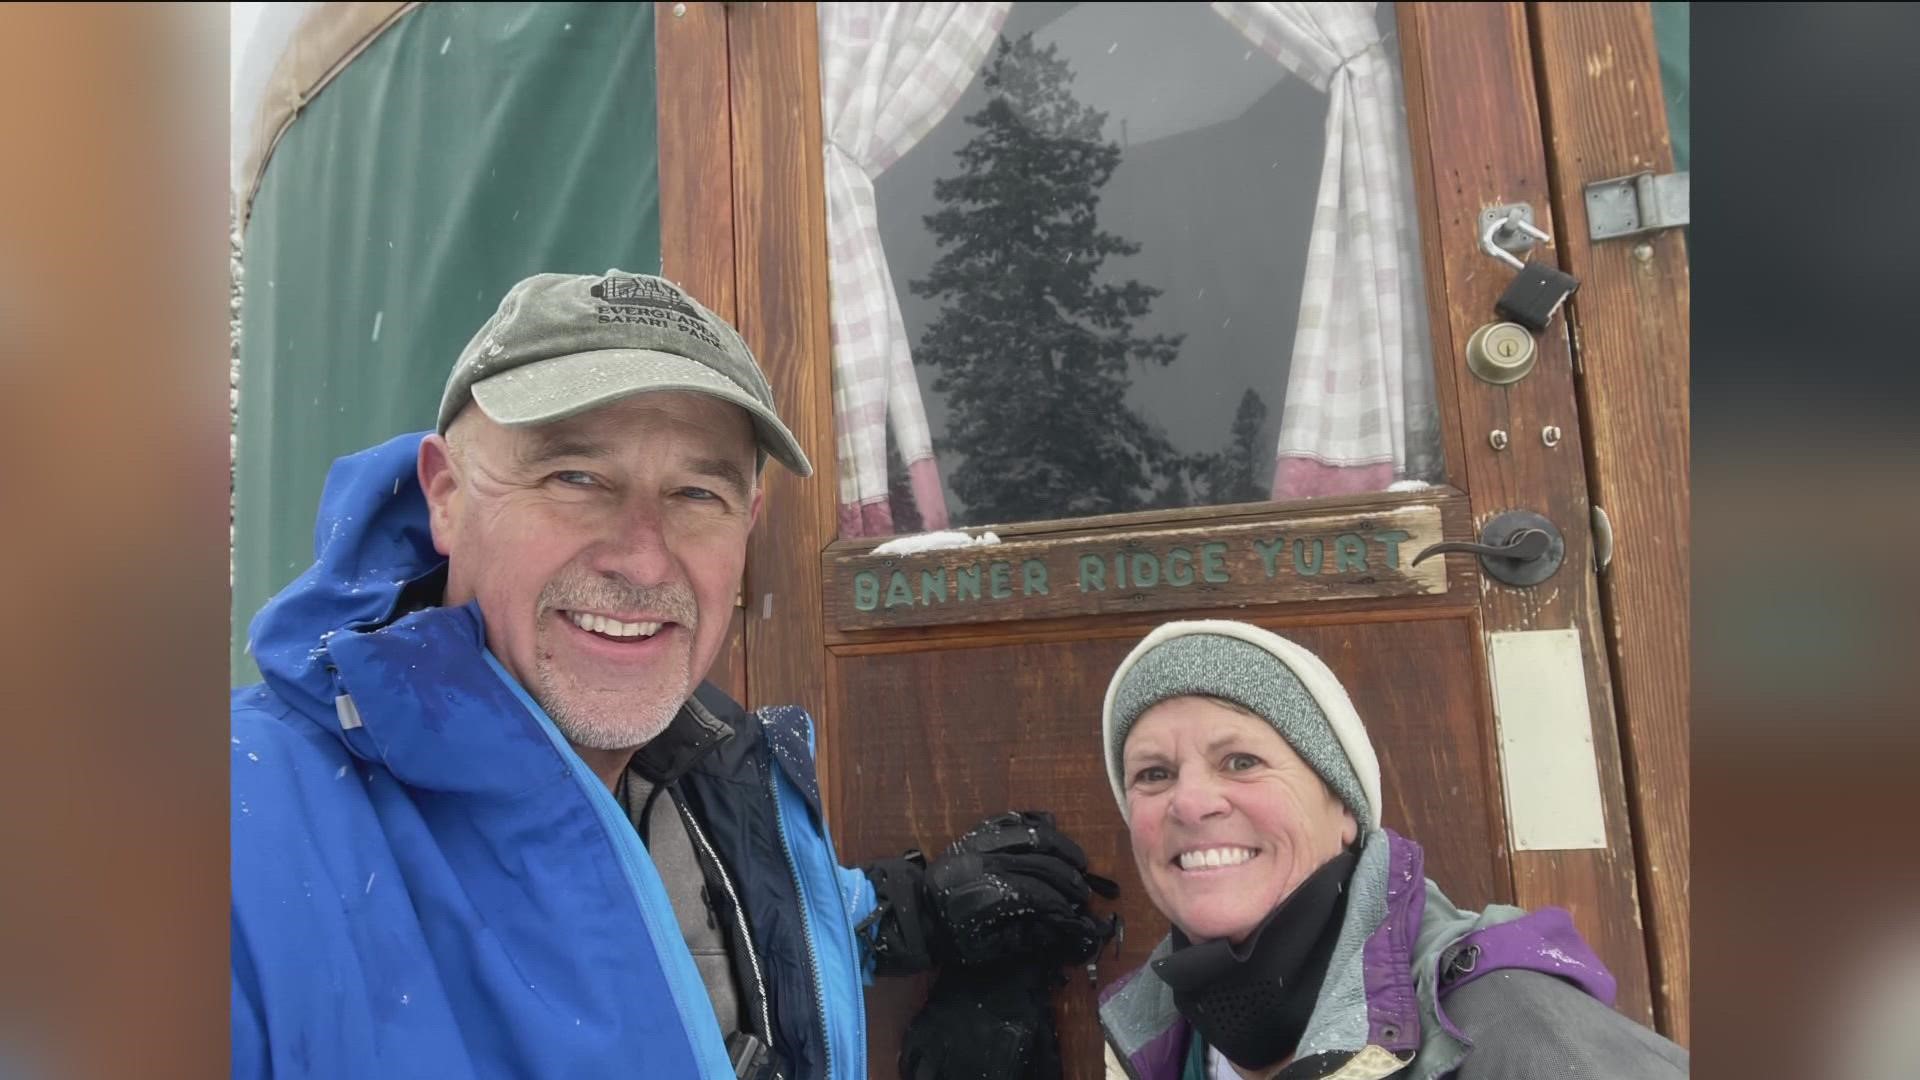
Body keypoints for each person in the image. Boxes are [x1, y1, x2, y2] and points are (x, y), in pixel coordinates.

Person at [230, 270, 1116, 1079]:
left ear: (749, 519)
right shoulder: (232, 829)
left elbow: (689, 906)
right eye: (575, 475)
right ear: (447, 494)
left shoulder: (708, 769)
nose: (645, 559)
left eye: (698, 494)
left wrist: (903, 910)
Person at [1094, 620, 1689, 1080]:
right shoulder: (1150, 1035)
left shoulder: (1508, 1027)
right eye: (1153, 774)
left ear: (1345, 808)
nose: (1191, 803)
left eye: (1242, 761)